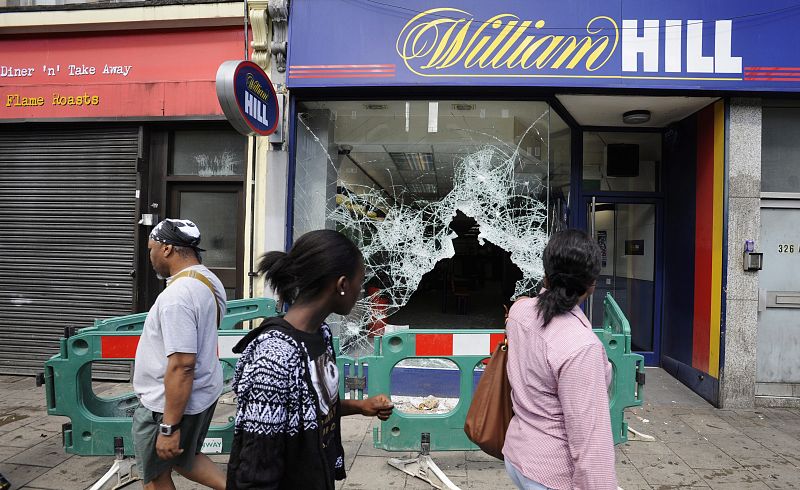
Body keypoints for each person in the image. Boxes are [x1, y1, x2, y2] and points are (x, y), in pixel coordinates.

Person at [226, 229, 394, 490]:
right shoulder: (273, 356)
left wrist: (361, 406)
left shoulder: (321, 334)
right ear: (341, 285)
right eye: (359, 284)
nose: (361, 293)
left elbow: (313, 409)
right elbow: (256, 466)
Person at [503, 229, 617, 490]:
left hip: (518, 455)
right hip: (552, 473)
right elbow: (590, 438)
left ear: (546, 273)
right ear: (592, 285)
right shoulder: (580, 346)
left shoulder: (519, 312)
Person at [132, 219, 226, 490]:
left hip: (166, 404)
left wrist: (168, 428)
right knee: (186, 459)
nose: (149, 257)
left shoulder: (177, 296)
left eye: (151, 249)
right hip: (201, 391)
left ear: (167, 249)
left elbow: (183, 364)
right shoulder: (207, 279)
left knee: (154, 478)